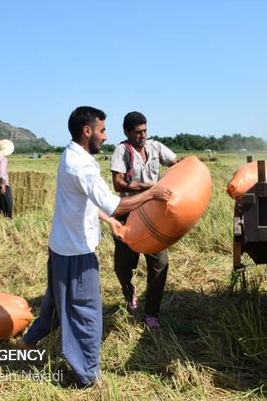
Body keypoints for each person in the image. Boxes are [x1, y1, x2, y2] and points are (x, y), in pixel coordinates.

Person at [16, 106, 172, 388]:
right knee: (87, 313)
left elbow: (84, 201)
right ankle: (87, 376)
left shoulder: (69, 155)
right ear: (87, 131)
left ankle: (26, 344)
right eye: (101, 130)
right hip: (77, 254)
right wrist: (152, 193)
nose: (105, 136)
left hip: (60, 247)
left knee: (54, 305)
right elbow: (114, 202)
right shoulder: (84, 165)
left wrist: (109, 221)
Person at [110, 111, 178, 328]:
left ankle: (151, 313)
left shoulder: (155, 147)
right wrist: (151, 188)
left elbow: (176, 164)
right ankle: (129, 291)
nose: (142, 136)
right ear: (126, 132)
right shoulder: (122, 151)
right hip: (129, 213)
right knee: (124, 265)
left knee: (160, 263)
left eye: (145, 131)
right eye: (138, 132)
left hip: (155, 214)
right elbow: (118, 184)